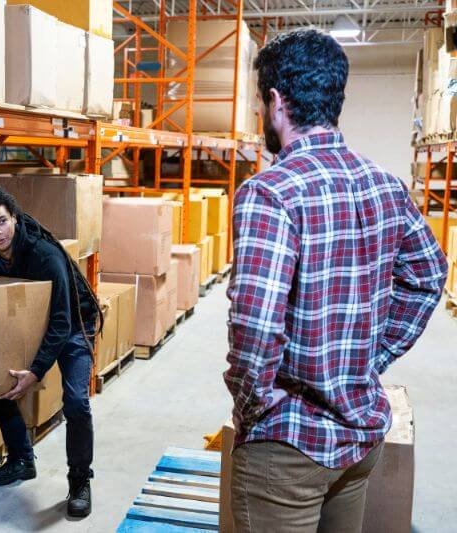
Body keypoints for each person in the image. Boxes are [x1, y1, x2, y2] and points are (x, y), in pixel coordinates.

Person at [225, 28, 448, 532]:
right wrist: (371, 356)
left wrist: (251, 402)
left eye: (262, 102)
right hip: (358, 439)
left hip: (289, 450)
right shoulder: (386, 185)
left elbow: (256, 327)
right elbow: (430, 274)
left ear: (277, 102)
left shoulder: (270, 192)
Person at [0, 186, 103, 518]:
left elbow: (60, 320)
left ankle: (80, 480)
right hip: (28, 324)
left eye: (2, 221)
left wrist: (36, 371)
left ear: (14, 218)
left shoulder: (44, 255)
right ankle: (21, 460)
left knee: (76, 401)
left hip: (73, 323)